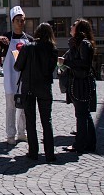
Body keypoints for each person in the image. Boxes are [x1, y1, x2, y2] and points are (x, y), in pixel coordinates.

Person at [14, 23, 58, 162]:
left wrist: (19, 57)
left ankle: (33, 152)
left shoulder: (28, 47)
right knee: (47, 120)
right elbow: (51, 68)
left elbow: (17, 67)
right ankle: (50, 153)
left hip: (29, 87)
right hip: (44, 87)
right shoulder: (52, 49)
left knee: (30, 120)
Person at [0, 6, 32, 147]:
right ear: (13, 22)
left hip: (24, 78)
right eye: (18, 20)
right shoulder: (6, 38)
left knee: (23, 107)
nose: (20, 22)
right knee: (10, 107)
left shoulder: (29, 39)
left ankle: (22, 132)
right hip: (10, 78)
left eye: (22, 20)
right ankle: (10, 134)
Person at [64, 19, 97, 154]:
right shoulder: (78, 43)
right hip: (79, 82)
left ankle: (80, 144)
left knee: (82, 114)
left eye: (74, 25)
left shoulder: (84, 44)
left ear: (79, 29)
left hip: (82, 83)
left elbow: (84, 64)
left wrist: (66, 62)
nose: (71, 27)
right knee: (84, 113)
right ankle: (89, 144)